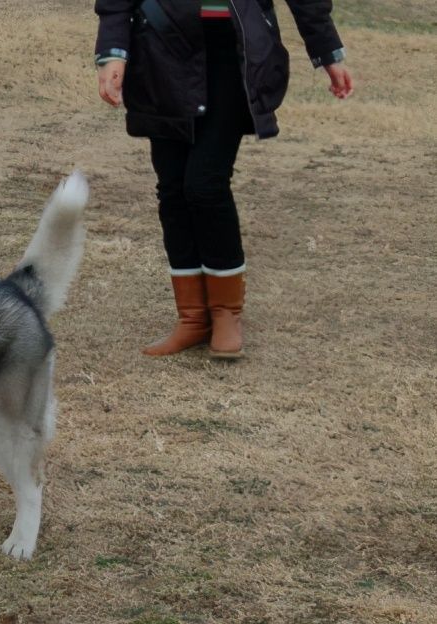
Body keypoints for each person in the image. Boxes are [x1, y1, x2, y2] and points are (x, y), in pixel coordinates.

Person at [94, 0, 353, 358]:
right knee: (172, 189)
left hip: (233, 54)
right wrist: (112, 52)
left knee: (204, 184)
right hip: (160, 53)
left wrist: (328, 52)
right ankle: (192, 317)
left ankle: (226, 312)